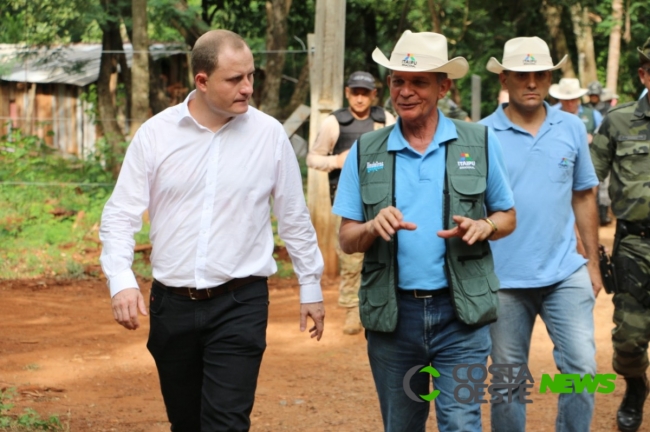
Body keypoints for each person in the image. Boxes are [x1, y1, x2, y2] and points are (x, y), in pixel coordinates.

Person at [99, 29, 325, 432]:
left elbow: (293, 216)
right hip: (173, 305)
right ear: (201, 81)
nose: (248, 88)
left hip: (241, 302)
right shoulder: (156, 134)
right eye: (234, 79)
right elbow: (121, 214)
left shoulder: (269, 135)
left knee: (226, 422)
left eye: (251, 76)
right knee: (185, 422)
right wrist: (120, 278)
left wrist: (310, 284)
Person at [333, 30, 516, 432]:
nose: (405, 91)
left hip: (461, 317)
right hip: (394, 320)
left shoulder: (479, 142)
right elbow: (346, 240)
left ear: (443, 86)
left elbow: (507, 216)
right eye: (398, 81)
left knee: (462, 422)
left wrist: (484, 225)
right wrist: (370, 227)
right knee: (401, 424)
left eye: (418, 82)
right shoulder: (366, 151)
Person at [480, 36, 602, 432]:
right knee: (508, 382)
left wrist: (593, 267)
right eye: (521, 75)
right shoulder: (480, 135)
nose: (531, 83)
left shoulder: (571, 126)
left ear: (550, 77)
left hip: (565, 272)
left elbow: (584, 195)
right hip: (503, 280)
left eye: (540, 74)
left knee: (582, 368)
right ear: (505, 78)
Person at [590, 36, 650, 432]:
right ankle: (635, 387)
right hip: (635, 245)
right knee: (629, 339)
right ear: (645, 74)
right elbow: (585, 181)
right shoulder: (618, 121)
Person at [307, 71, 395, 335]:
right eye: (355, 92)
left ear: (374, 95)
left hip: (383, 198)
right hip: (349, 201)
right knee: (352, 258)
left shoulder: (385, 120)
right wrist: (336, 161)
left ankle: (385, 306)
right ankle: (352, 311)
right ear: (347, 93)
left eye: (365, 93)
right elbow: (313, 158)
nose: (359, 98)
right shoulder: (335, 123)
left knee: (388, 255)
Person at [550, 78, 611, 225]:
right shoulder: (551, 114)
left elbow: (604, 137)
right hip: (559, 163)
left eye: (573, 99)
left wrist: (592, 138)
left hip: (586, 162)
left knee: (588, 196)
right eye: (566, 100)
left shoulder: (592, 114)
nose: (570, 103)